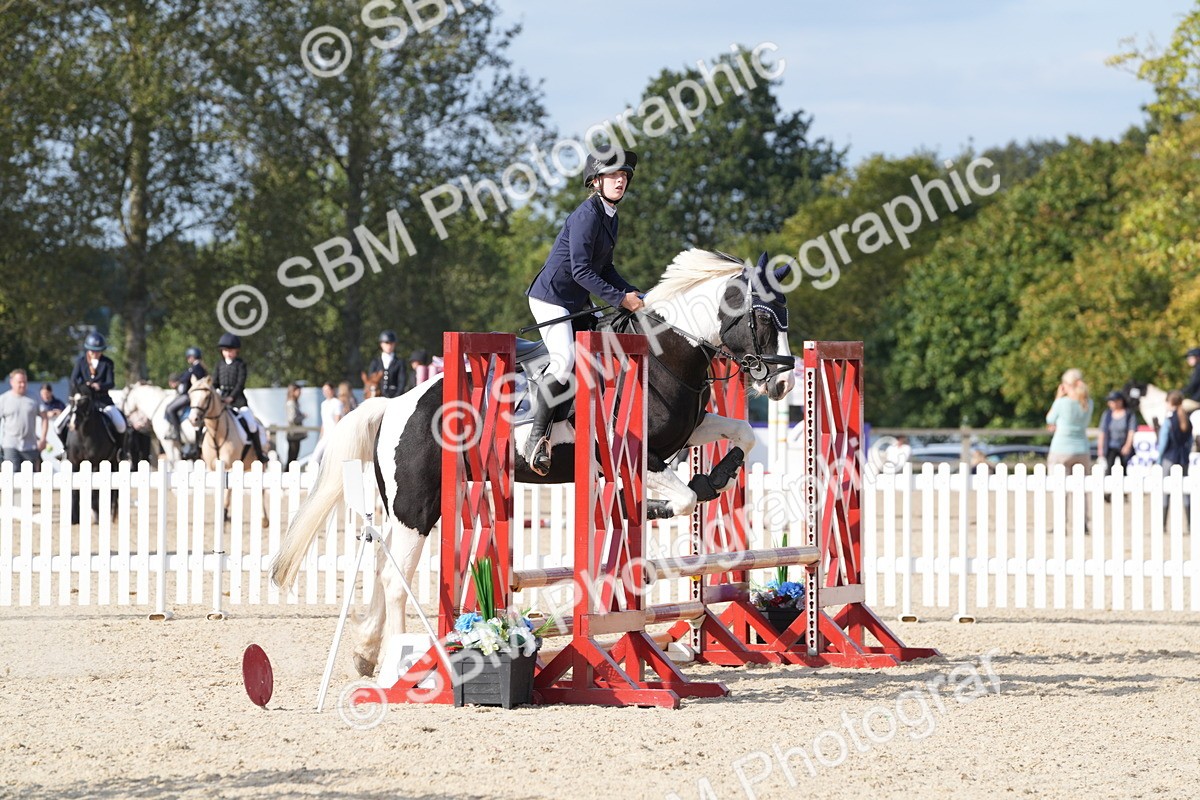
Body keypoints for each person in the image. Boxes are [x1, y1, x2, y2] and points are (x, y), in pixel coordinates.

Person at [523, 149, 644, 475]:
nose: (621, 181)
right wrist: (621, 300)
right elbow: (581, 271)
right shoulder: (587, 215)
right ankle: (536, 437)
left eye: (624, 177)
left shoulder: (610, 216)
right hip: (551, 298)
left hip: (575, 302)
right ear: (596, 181)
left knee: (600, 358)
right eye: (614, 176)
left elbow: (605, 268)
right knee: (563, 362)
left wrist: (636, 293)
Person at [212, 332, 266, 462]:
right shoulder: (219, 364)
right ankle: (198, 449)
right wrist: (217, 394)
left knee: (252, 424)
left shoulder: (240, 364)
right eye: (225, 350)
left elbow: (240, 384)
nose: (228, 353)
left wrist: (231, 397)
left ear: (236, 351)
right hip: (222, 400)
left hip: (238, 401)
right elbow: (215, 382)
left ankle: (259, 454)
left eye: (231, 350)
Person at [63, 332, 126, 438]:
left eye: (99, 351)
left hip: (102, 401)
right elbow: (73, 380)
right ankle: (65, 449)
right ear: (88, 350)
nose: (96, 354)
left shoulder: (107, 363)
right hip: (83, 401)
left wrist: (99, 386)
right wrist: (84, 386)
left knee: (121, 425)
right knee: (58, 425)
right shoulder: (81, 362)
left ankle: (121, 452)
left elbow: (111, 383)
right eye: (93, 351)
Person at [1046, 368, 1093, 471]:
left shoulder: (1062, 402)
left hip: (1061, 449)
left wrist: (1058, 397)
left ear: (1066, 385)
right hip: (1082, 449)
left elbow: (1050, 419)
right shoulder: (1089, 402)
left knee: (1058, 485)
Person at [1157, 390, 1192, 522]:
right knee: (1186, 491)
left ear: (1170, 402)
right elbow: (1189, 443)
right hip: (1183, 458)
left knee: (1164, 490)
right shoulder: (1187, 420)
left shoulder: (1169, 420)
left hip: (1169, 458)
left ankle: (1162, 523)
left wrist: (1159, 459)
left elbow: (1163, 442)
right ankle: (1189, 523)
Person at [163, 346, 207, 443]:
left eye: (188, 357)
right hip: (190, 394)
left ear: (192, 357)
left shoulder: (197, 368)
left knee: (170, 409)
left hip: (190, 396)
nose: (188, 359)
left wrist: (178, 381)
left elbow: (185, 377)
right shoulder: (196, 367)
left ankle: (176, 433)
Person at [1, 369, 41, 470]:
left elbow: (44, 417)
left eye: (25, 382)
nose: (22, 385)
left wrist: (43, 438)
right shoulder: (4, 399)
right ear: (12, 382)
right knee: (11, 475)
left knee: (30, 478)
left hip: (30, 445)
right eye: (19, 382)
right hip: (10, 444)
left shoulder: (34, 397)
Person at [1097, 390, 1137, 477]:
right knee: (1109, 468)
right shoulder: (1107, 414)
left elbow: (1131, 431)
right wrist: (1100, 447)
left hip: (1123, 444)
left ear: (1120, 401)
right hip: (1110, 445)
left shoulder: (1128, 414)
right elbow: (1102, 431)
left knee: (1124, 468)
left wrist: (1127, 445)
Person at [309, 382, 343, 465]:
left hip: (333, 433)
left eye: (328, 390)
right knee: (316, 457)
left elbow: (337, 419)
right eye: (324, 390)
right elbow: (324, 422)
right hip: (325, 434)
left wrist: (336, 435)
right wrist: (321, 435)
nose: (326, 392)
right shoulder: (323, 404)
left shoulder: (337, 403)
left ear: (332, 390)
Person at [367, 330, 407, 398]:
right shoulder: (375, 362)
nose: (389, 345)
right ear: (381, 344)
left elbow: (401, 383)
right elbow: (371, 381)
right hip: (377, 397)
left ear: (394, 344)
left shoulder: (399, 363)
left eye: (391, 343)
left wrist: (396, 397)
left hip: (394, 397)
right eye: (386, 343)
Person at [37, 383, 66, 452]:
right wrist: (46, 414)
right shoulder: (38, 403)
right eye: (42, 394)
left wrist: (59, 413)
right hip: (42, 434)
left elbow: (66, 414)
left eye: (46, 393)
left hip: (57, 436)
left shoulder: (58, 403)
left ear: (50, 392)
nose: (44, 396)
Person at [284, 382, 307, 468]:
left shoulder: (294, 403)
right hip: (293, 434)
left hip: (295, 434)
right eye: (298, 391)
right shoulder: (291, 403)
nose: (300, 393)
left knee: (293, 456)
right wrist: (302, 417)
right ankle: (287, 474)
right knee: (292, 456)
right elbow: (292, 419)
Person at [1182, 348, 1200, 413]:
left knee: (1180, 409)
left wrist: (1181, 392)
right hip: (1196, 398)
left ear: (1198, 358)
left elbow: (1193, 385)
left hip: (1197, 400)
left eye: (1190, 358)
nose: (1188, 360)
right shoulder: (1196, 369)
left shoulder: (1198, 369)